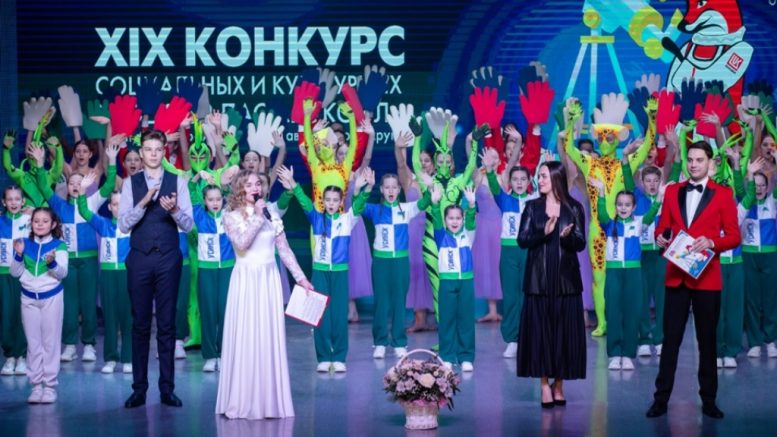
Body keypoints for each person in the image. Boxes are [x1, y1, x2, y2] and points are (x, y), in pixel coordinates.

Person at [647, 141, 741, 419]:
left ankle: (709, 400)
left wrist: (711, 242)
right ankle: (660, 399)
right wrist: (660, 238)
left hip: (707, 279)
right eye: (690, 159)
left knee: (707, 341)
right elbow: (663, 228)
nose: (693, 164)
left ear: (710, 163)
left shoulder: (723, 194)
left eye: (699, 160)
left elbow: (734, 236)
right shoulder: (672, 190)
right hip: (676, 277)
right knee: (670, 341)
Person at [215, 170, 313, 420]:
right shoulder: (231, 216)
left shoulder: (272, 214)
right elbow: (242, 243)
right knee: (246, 336)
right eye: (248, 184)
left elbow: (285, 250)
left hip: (269, 281)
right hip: (246, 281)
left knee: (267, 337)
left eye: (258, 183)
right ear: (240, 189)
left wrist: (301, 278)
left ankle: (269, 401)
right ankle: (243, 400)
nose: (255, 187)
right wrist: (258, 217)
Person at [118, 129, 193, 409]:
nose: (152, 154)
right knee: (139, 324)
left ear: (164, 151)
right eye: (147, 149)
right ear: (141, 152)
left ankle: (167, 389)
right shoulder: (131, 183)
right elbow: (122, 225)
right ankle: (139, 389)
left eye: (157, 149)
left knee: (167, 324)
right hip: (139, 258)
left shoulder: (178, 181)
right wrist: (142, 203)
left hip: (168, 259)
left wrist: (173, 210)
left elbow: (189, 225)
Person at [277, 165, 371, 373]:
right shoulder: (316, 218)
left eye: (335, 200)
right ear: (323, 201)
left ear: (340, 202)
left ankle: (339, 357)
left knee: (339, 315)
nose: (331, 203)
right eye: (327, 200)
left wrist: (366, 189)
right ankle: (323, 357)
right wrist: (293, 183)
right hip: (319, 272)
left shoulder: (347, 220)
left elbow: (359, 205)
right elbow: (303, 201)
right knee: (319, 315)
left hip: (340, 273)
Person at [31, 140, 118, 363]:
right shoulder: (60, 205)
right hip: (66, 261)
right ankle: (69, 345)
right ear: (67, 187)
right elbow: (43, 187)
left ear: (86, 185)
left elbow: (109, 186)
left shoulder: (93, 201)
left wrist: (111, 162)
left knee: (88, 303)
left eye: (80, 182)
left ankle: (88, 345)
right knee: (69, 305)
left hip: (89, 260)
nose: (76, 186)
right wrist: (39, 165)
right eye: (72, 183)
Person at [516, 160, 587, 409]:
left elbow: (580, 243)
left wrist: (566, 238)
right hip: (539, 282)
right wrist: (543, 233)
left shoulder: (574, 207)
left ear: (556, 178)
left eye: (544, 176)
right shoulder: (532, 207)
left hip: (566, 283)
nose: (540, 180)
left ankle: (559, 385)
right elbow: (522, 240)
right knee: (541, 335)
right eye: (539, 176)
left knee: (563, 335)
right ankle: (544, 385)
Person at [361, 173, 430, 359]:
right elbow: (357, 206)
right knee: (381, 303)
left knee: (400, 302)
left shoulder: (406, 209)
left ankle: (399, 342)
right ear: (382, 190)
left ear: (399, 190)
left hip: (400, 262)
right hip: (381, 262)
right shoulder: (375, 210)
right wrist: (366, 187)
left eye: (394, 187)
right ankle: (380, 342)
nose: (391, 191)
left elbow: (425, 203)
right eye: (387, 187)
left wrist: (429, 187)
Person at [75, 176, 133, 374]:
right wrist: (82, 192)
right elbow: (84, 211)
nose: (119, 207)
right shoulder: (103, 224)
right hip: (108, 276)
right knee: (110, 318)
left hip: (127, 275)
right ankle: (110, 359)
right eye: (115, 204)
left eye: (123, 204)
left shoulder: (134, 226)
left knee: (127, 319)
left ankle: (128, 358)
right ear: (109, 207)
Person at [10, 207, 68, 403]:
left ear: (53, 224)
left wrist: (51, 263)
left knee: (50, 343)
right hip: (28, 299)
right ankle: (36, 386)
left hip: (51, 297)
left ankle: (49, 386)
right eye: (36, 221)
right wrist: (18, 255)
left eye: (45, 221)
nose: (40, 224)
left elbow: (62, 273)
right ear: (31, 224)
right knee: (33, 343)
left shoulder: (59, 246)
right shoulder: (23, 243)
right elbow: (15, 273)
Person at [430, 184, 478, 371]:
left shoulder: (468, 234)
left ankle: (466, 357)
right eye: (451, 218)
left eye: (458, 218)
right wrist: (435, 204)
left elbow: (472, 221)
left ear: (463, 219)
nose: (455, 221)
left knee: (466, 320)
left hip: (466, 282)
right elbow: (435, 219)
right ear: (445, 220)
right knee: (447, 320)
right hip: (447, 283)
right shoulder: (441, 236)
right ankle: (447, 356)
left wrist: (471, 205)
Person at [194, 185, 234, 372]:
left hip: (228, 269)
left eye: (218, 199)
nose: (215, 203)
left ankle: (225, 354)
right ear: (204, 201)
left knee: (226, 313)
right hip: (206, 270)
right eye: (210, 199)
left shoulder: (230, 216)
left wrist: (226, 185)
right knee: (208, 313)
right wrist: (197, 178)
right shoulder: (199, 216)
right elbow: (189, 194)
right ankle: (210, 356)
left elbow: (236, 195)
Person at [0, 185, 30, 376]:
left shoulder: (29, 221)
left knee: (22, 315)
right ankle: (10, 356)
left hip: (23, 275)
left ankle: (22, 356)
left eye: (17, 199)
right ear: (4, 202)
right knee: (6, 315)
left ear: (23, 201)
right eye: (9, 199)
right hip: (3, 275)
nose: (13, 203)